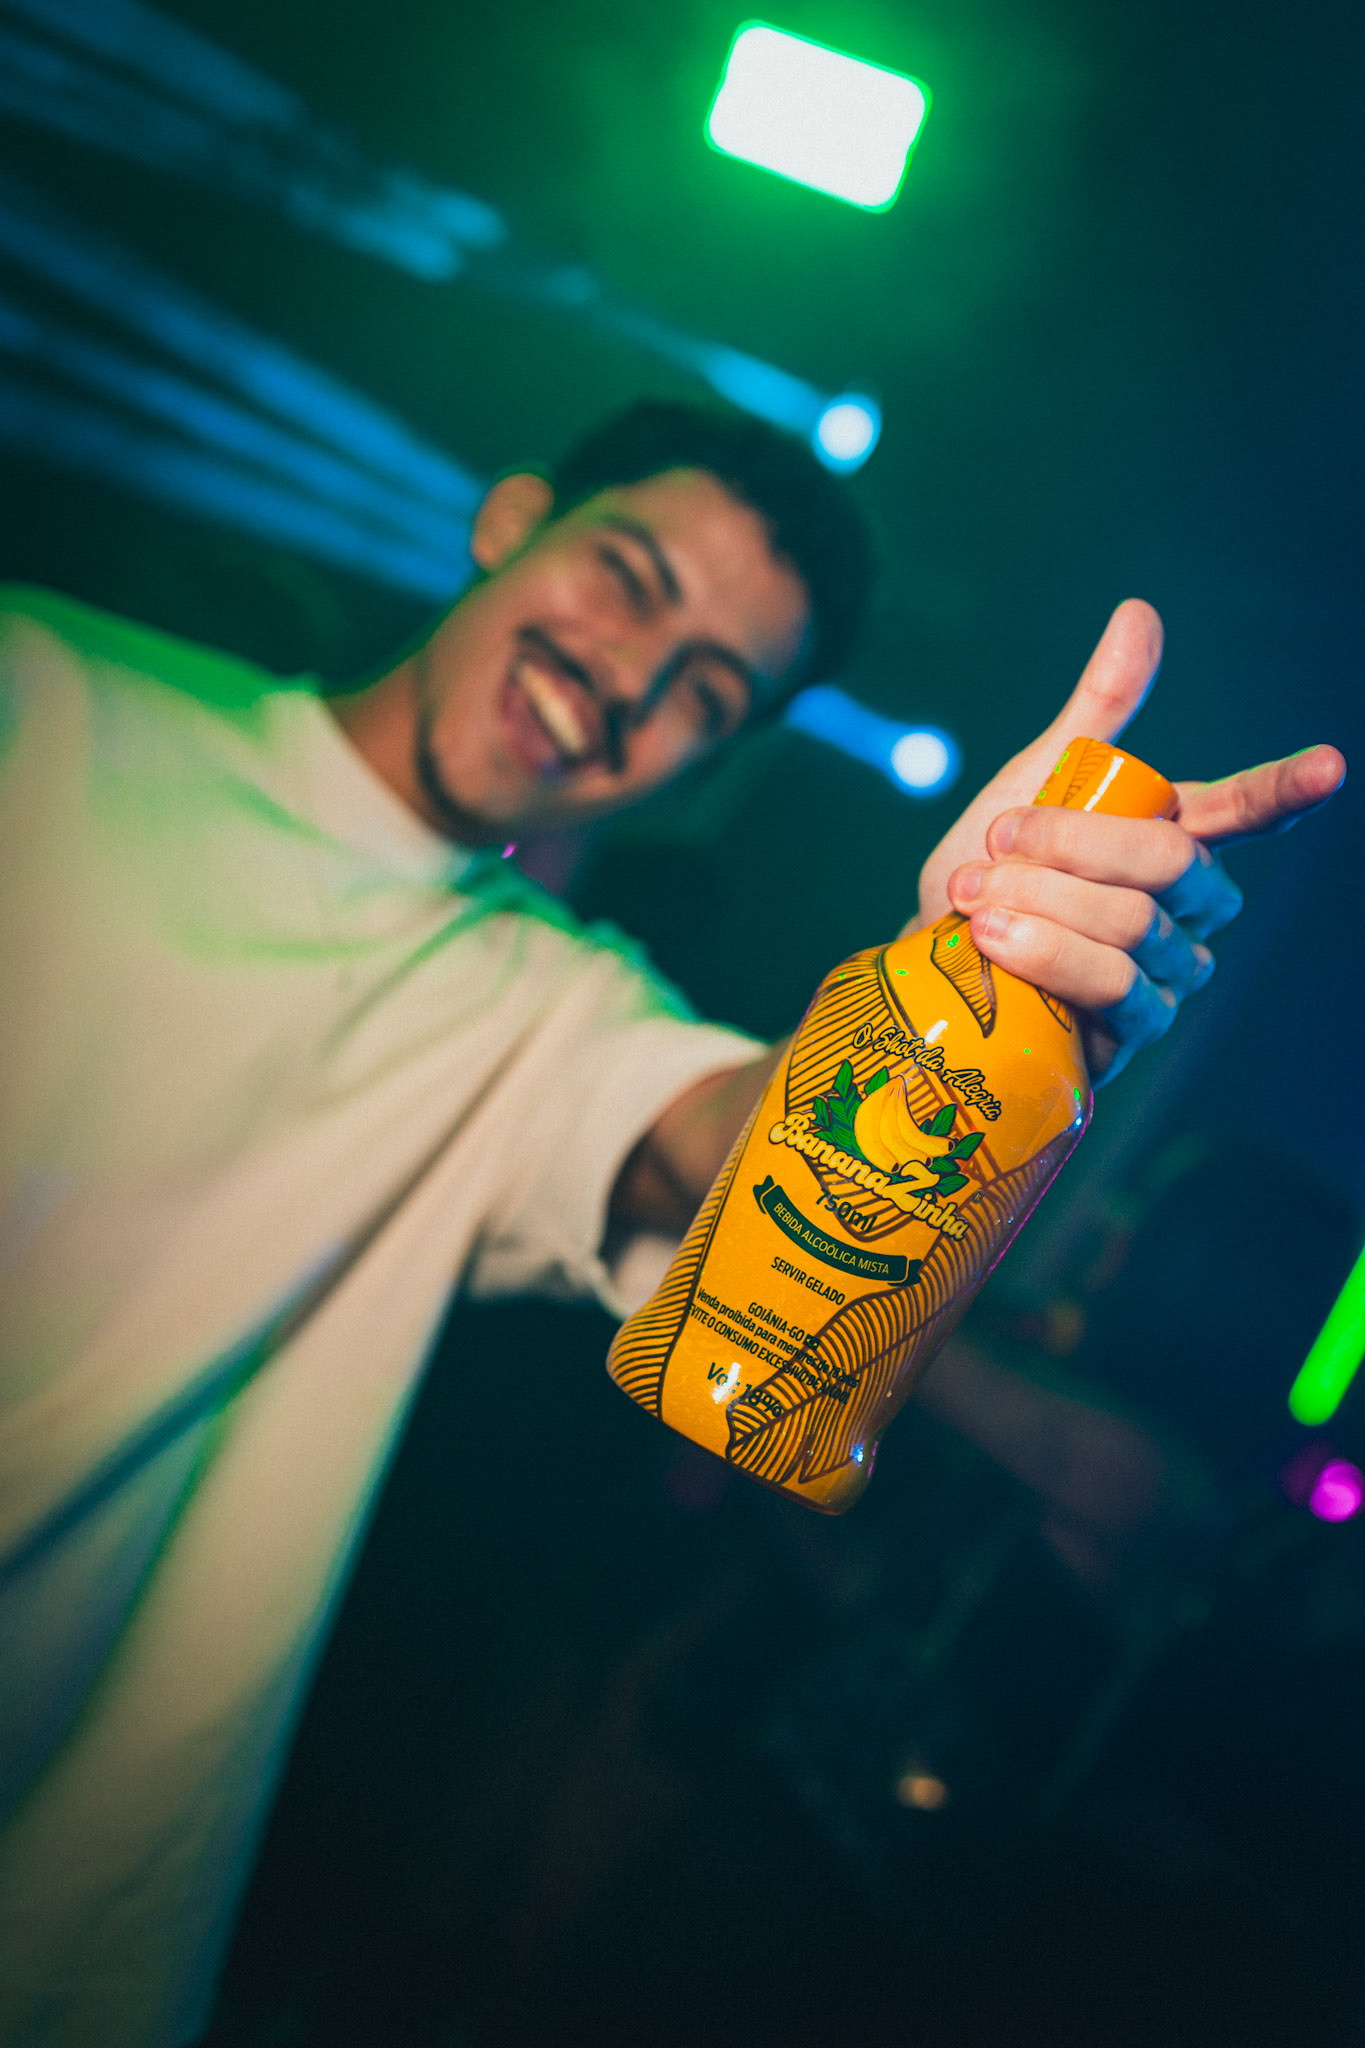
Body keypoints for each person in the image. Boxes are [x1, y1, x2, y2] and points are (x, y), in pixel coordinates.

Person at [0, 400, 1344, 2048]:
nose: (625, 676)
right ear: (511, 521)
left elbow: (737, 1139)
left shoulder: (536, 1001)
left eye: (706, 689)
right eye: (628, 577)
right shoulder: (44, 695)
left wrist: (960, 981)